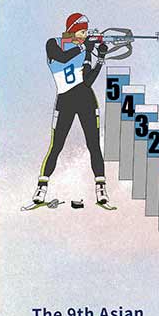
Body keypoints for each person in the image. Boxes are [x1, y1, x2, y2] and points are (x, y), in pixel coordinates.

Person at [33, 12, 112, 210]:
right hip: (65, 100)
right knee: (56, 145)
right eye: (82, 32)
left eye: (86, 32)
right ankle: (41, 187)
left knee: (93, 145)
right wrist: (84, 47)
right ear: (72, 30)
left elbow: (87, 81)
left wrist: (100, 58)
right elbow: (60, 58)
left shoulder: (83, 50)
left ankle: (101, 188)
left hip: (86, 100)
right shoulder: (54, 43)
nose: (85, 35)